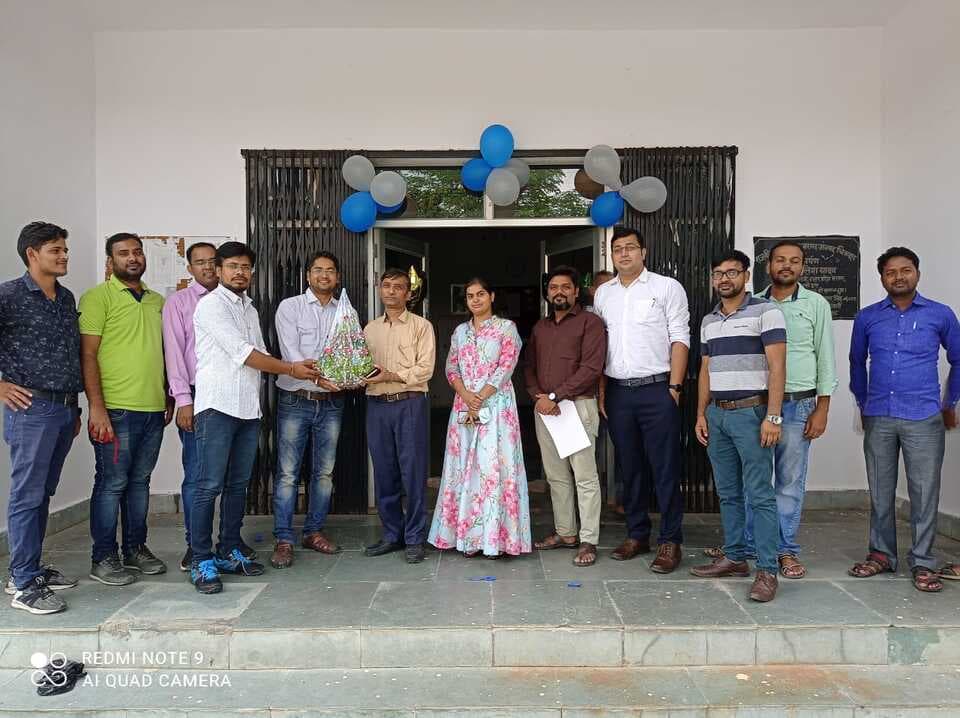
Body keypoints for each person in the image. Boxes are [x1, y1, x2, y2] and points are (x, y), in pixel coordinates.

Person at [188, 242, 320, 594]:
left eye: (246, 267)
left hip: (247, 408)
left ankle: (229, 548)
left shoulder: (249, 308)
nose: (240, 273)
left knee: (237, 486)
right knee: (208, 486)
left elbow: (261, 352)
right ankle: (200, 558)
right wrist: (292, 369)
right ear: (218, 270)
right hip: (217, 407)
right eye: (233, 266)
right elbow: (246, 354)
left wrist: (303, 370)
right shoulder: (211, 306)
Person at [703, 240, 837, 579]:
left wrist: (821, 406)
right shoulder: (748, 306)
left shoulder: (812, 304)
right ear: (768, 266)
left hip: (793, 402)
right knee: (750, 484)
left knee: (787, 482)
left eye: (794, 260)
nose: (786, 265)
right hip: (753, 405)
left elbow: (823, 357)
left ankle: (782, 551)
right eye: (780, 260)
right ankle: (747, 546)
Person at [848, 247, 959, 593]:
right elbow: (856, 361)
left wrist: (950, 402)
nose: (899, 277)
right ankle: (881, 554)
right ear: (882, 278)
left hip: (924, 416)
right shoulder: (867, 317)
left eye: (905, 270)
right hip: (879, 415)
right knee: (880, 490)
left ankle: (923, 561)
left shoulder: (940, 314)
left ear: (917, 273)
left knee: (924, 492)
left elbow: (958, 359)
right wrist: (863, 402)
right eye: (891, 272)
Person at [692, 249, 786, 603]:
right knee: (728, 492)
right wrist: (701, 414)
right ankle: (734, 557)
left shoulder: (766, 311)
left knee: (760, 495)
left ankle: (767, 570)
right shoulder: (709, 320)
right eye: (718, 273)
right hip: (718, 415)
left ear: (746, 276)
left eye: (732, 272)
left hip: (752, 413)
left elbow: (777, 367)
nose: (724, 279)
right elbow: (705, 369)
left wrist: (773, 416)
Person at [593, 226, 689, 574]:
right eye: (618, 248)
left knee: (665, 467)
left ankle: (670, 540)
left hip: (657, 389)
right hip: (619, 392)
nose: (624, 253)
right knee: (629, 467)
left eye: (630, 247)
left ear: (643, 252)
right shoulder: (603, 294)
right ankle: (637, 534)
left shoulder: (666, 287)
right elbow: (600, 347)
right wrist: (603, 392)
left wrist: (674, 388)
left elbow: (680, 338)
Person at [80, 233, 172, 586]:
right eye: (123, 253)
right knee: (111, 483)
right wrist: (96, 408)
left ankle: (135, 549)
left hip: (152, 409)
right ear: (110, 261)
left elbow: (161, 352)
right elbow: (88, 355)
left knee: (139, 482)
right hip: (115, 409)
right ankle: (103, 557)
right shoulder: (97, 298)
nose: (132, 258)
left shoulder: (157, 301)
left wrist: (167, 395)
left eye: (137, 252)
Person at [1, 222, 82, 614]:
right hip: (30, 409)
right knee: (27, 495)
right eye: (55, 250)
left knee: (43, 493)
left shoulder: (65, 297)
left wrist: (75, 407)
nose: (64, 256)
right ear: (32, 254)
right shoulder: (9, 296)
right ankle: (22, 583)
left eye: (64, 249)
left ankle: (29, 568)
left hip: (63, 409)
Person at [428, 278, 532, 558]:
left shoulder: (506, 328)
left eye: (481, 294)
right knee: (464, 466)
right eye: (470, 295)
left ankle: (496, 540)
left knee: (492, 467)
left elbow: (507, 365)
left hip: (496, 406)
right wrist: (466, 394)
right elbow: (451, 367)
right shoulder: (460, 332)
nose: (475, 299)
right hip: (465, 405)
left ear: (492, 296)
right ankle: (467, 539)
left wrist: (481, 395)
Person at [525, 266, 606, 566]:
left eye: (565, 287)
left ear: (575, 291)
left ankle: (588, 540)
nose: (559, 292)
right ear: (547, 293)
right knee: (556, 476)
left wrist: (555, 396)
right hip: (545, 410)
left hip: (577, 407)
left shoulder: (590, 323)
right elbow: (529, 366)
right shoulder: (540, 328)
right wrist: (538, 396)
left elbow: (591, 369)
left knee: (585, 477)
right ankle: (566, 533)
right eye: (553, 287)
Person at [270, 251, 345, 570]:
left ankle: (313, 532)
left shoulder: (345, 311)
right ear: (307, 275)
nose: (324, 275)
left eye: (330, 270)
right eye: (318, 270)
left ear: (337, 277)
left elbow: (348, 352)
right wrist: (322, 377)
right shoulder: (290, 307)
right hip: (295, 400)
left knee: (324, 473)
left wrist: (345, 376)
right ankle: (284, 539)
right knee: (288, 473)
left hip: (332, 403)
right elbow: (292, 356)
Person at [363, 268, 436, 564]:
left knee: (413, 472)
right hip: (377, 406)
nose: (391, 291)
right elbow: (362, 368)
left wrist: (391, 375)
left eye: (398, 287)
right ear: (380, 290)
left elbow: (425, 369)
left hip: (410, 404)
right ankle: (393, 534)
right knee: (384, 472)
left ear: (408, 293)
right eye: (386, 286)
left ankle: (415, 537)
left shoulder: (421, 327)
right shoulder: (369, 330)